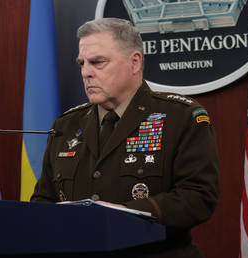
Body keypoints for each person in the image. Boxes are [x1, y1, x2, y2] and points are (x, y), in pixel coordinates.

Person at [31, 18, 220, 258]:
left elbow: (199, 197)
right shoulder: (66, 125)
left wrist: (126, 214)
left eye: (98, 62)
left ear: (134, 62)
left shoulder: (180, 116)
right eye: (82, 63)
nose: (86, 72)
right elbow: (43, 201)